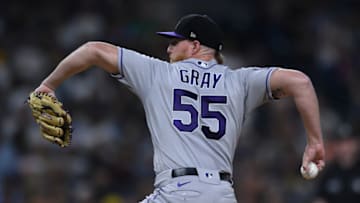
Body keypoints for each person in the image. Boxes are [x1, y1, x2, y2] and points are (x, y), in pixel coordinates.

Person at [33, 14, 325, 202]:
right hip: (222, 195)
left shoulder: (159, 73)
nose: (169, 49)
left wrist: (48, 85)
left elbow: (94, 50)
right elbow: (300, 82)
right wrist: (314, 141)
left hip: (178, 192)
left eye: (176, 42)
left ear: (196, 46)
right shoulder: (241, 81)